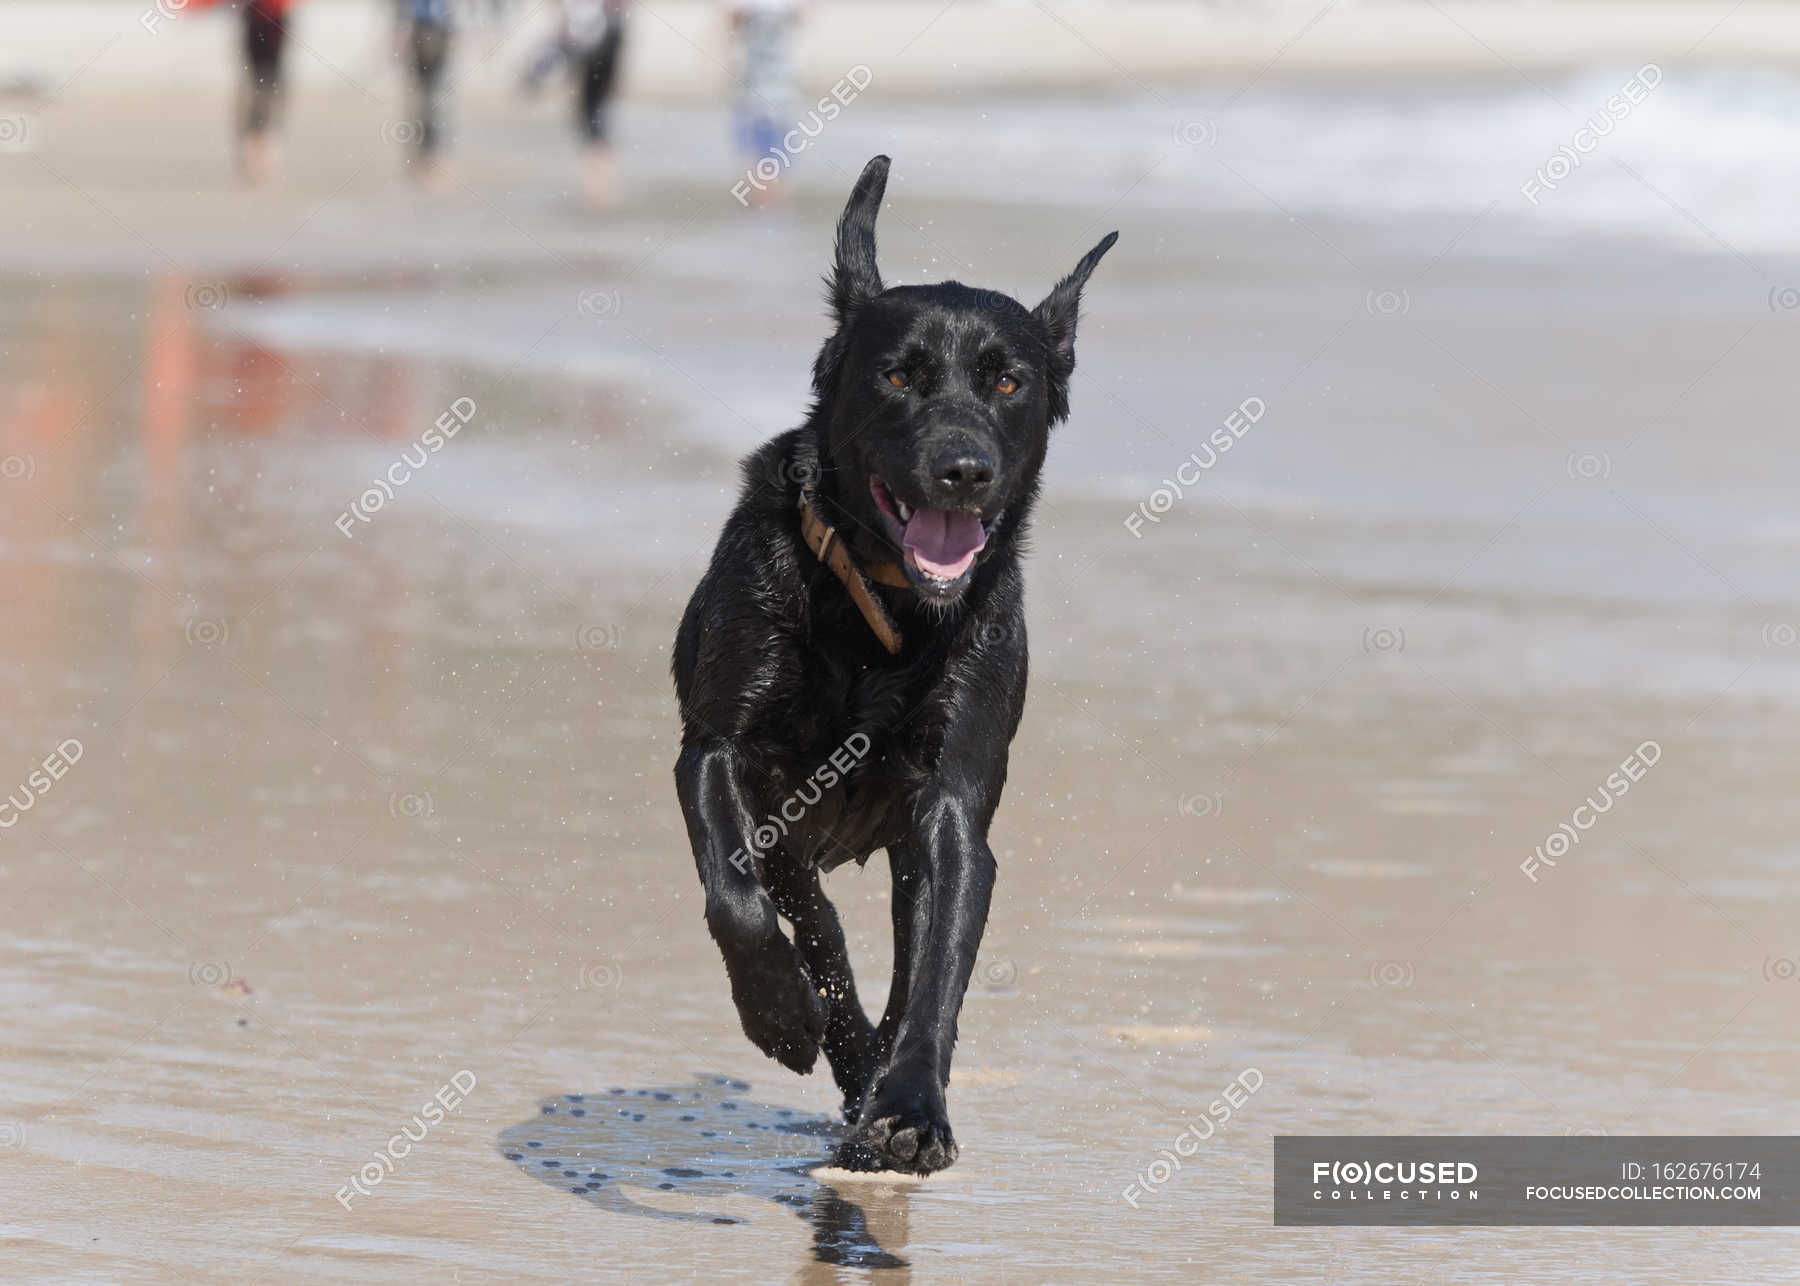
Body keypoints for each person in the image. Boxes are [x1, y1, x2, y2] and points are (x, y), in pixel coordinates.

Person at [727, 0, 801, 205]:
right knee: (773, 151)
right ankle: (769, 199)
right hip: (770, 84)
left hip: (763, 84)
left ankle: (764, 199)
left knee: (759, 151)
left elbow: (732, 21)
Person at [563, 0, 627, 207]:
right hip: (609, 31)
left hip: (595, 34)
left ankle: (598, 181)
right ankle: (602, 179)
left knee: (590, 110)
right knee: (597, 107)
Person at [238, 0, 301, 183]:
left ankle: (262, 144)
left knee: (268, 89)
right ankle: (257, 145)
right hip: (261, 26)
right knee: (261, 89)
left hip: (271, 26)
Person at [395, 0, 455, 187]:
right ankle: (425, 158)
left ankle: (429, 157)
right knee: (426, 100)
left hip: (435, 31)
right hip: (423, 31)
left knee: (432, 99)